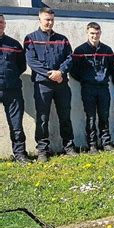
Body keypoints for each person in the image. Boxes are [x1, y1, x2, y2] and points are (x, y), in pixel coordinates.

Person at [24, 7, 77, 162]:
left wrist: (60, 72)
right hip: (42, 85)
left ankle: (68, 146)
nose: (50, 22)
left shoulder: (62, 39)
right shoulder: (31, 38)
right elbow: (32, 61)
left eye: (52, 19)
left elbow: (70, 58)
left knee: (65, 116)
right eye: (47, 19)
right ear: (39, 19)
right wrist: (51, 74)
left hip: (61, 84)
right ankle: (42, 150)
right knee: (42, 118)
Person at [71, 22, 114, 154]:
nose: (94, 36)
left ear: (100, 33)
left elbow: (113, 68)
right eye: (92, 33)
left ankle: (106, 143)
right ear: (87, 33)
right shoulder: (80, 51)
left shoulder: (107, 50)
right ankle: (92, 145)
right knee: (90, 117)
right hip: (88, 88)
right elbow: (73, 71)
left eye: (97, 33)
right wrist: (86, 79)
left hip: (103, 88)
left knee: (104, 116)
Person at [0, 15, 29, 163]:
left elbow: (21, 66)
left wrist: (10, 77)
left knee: (16, 124)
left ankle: (20, 154)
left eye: (2, 22)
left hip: (12, 89)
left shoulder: (14, 44)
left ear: (5, 25)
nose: (0, 25)